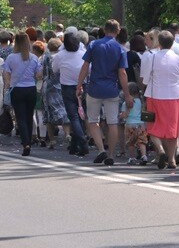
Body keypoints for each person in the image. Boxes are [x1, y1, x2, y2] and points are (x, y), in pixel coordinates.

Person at [77, 20, 134, 166]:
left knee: (93, 120)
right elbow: (122, 73)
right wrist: (127, 94)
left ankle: (101, 148)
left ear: (104, 29)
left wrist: (79, 85)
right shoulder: (120, 49)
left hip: (94, 88)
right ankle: (111, 154)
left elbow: (85, 66)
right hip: (112, 89)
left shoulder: (94, 45)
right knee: (112, 122)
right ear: (118, 30)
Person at [141, 30, 179, 170]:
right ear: (173, 43)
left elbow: (145, 79)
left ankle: (160, 150)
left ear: (159, 42)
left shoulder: (151, 57)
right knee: (173, 129)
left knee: (152, 126)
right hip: (174, 96)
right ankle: (172, 159)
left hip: (155, 96)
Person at [4, 32, 43, 156]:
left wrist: (7, 86)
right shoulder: (34, 58)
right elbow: (38, 74)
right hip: (31, 88)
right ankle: (30, 141)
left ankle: (25, 142)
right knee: (29, 116)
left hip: (17, 89)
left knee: (20, 117)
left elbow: (7, 74)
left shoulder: (11, 57)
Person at [53, 32, 88, 156]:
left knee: (73, 117)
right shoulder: (84, 54)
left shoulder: (60, 55)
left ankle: (82, 141)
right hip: (82, 86)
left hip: (67, 88)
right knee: (81, 116)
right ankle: (74, 145)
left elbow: (54, 69)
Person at [41, 38, 69, 149]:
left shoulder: (46, 57)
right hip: (60, 85)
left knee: (48, 112)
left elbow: (44, 72)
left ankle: (52, 140)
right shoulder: (62, 56)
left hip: (48, 86)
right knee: (63, 110)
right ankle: (67, 134)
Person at [120, 82, 149, 165]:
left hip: (130, 124)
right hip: (141, 124)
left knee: (131, 142)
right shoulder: (141, 102)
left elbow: (125, 115)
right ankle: (144, 156)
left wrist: (121, 115)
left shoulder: (126, 103)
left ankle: (132, 158)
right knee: (141, 141)